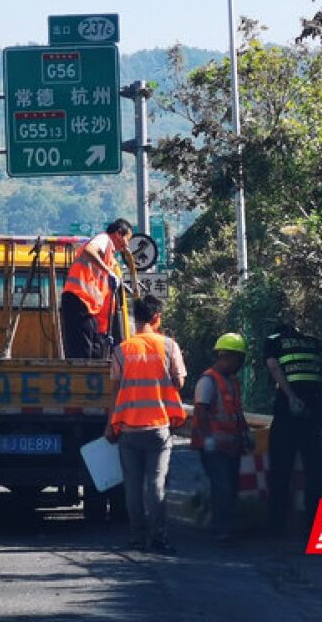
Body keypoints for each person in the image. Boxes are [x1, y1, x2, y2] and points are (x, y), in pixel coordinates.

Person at [104, 294, 187, 553]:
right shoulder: (169, 346)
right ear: (156, 318)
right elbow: (180, 382)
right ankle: (158, 538)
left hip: (128, 428)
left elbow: (115, 392)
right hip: (159, 428)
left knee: (132, 485)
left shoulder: (121, 350)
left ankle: (137, 538)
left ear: (135, 319)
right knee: (156, 483)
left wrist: (110, 424)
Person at [264, 319, 322, 534]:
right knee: (314, 466)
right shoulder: (315, 342)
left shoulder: (274, 339)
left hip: (289, 408)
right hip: (316, 408)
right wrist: (321, 400)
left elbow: (274, 367)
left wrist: (292, 397)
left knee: (281, 466)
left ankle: (276, 523)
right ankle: (313, 524)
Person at [191, 333, 253, 543]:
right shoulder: (208, 381)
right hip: (213, 446)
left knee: (230, 486)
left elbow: (237, 411)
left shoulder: (232, 381)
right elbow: (201, 412)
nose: (241, 365)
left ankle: (224, 525)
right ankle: (222, 530)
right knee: (223, 486)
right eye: (239, 360)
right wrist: (207, 439)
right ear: (227, 356)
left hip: (231, 445)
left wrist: (246, 432)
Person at [62, 219, 134, 359]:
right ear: (118, 234)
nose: (126, 244)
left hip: (88, 306)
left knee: (92, 348)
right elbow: (90, 250)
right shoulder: (103, 239)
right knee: (81, 349)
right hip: (78, 298)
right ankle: (80, 379)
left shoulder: (110, 256)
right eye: (127, 239)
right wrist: (108, 271)